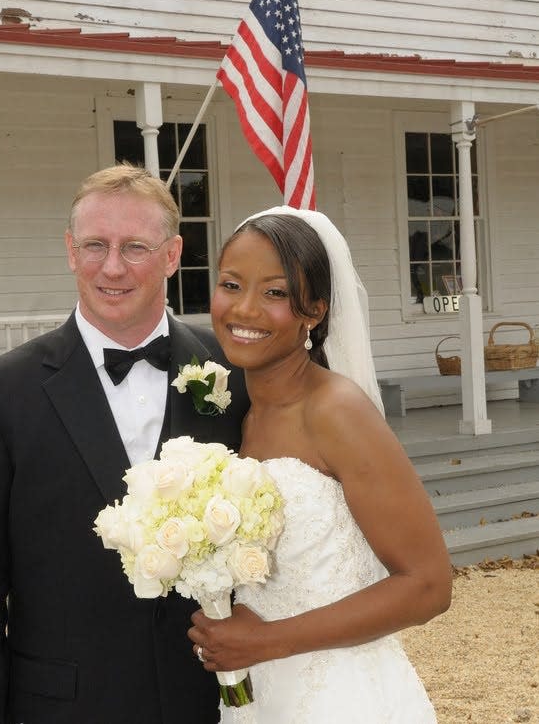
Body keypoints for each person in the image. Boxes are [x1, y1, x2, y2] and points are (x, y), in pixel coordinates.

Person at [0, 164, 250, 724]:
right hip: (65, 707)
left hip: (211, 702)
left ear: (174, 254)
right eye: (95, 245)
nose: (112, 267)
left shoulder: (233, 373)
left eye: (135, 246)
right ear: (69, 250)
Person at [188, 206, 452, 723]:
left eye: (275, 293)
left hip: (340, 695)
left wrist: (267, 640)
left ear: (314, 309)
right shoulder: (236, 409)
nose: (244, 310)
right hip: (260, 694)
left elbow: (428, 585)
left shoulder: (337, 411)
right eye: (230, 284)